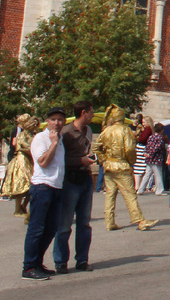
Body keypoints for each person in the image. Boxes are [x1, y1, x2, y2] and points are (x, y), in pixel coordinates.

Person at [93, 106, 157, 231]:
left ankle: (109, 222)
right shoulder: (125, 130)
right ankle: (140, 220)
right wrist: (131, 161)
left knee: (110, 195)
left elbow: (96, 147)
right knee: (129, 194)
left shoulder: (106, 130)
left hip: (109, 165)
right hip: (121, 165)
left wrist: (103, 159)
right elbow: (129, 149)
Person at [21, 107, 67, 281]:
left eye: (60, 120)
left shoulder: (60, 138)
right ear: (47, 121)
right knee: (36, 228)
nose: (57, 123)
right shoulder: (40, 138)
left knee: (50, 229)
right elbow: (43, 162)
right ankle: (29, 267)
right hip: (42, 187)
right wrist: (53, 143)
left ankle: (38, 263)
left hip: (56, 187)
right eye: (53, 119)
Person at [53, 101, 96, 274]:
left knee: (85, 223)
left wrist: (90, 159)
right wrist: (80, 160)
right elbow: (60, 159)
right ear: (83, 113)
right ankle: (61, 261)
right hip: (70, 180)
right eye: (91, 112)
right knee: (64, 224)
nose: (93, 115)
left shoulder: (89, 131)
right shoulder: (66, 133)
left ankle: (82, 260)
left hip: (85, 178)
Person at [3, 115, 38, 218]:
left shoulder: (33, 135)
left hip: (30, 160)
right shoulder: (22, 135)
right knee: (21, 184)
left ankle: (23, 206)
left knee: (32, 185)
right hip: (22, 160)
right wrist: (32, 149)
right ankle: (18, 209)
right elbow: (22, 146)